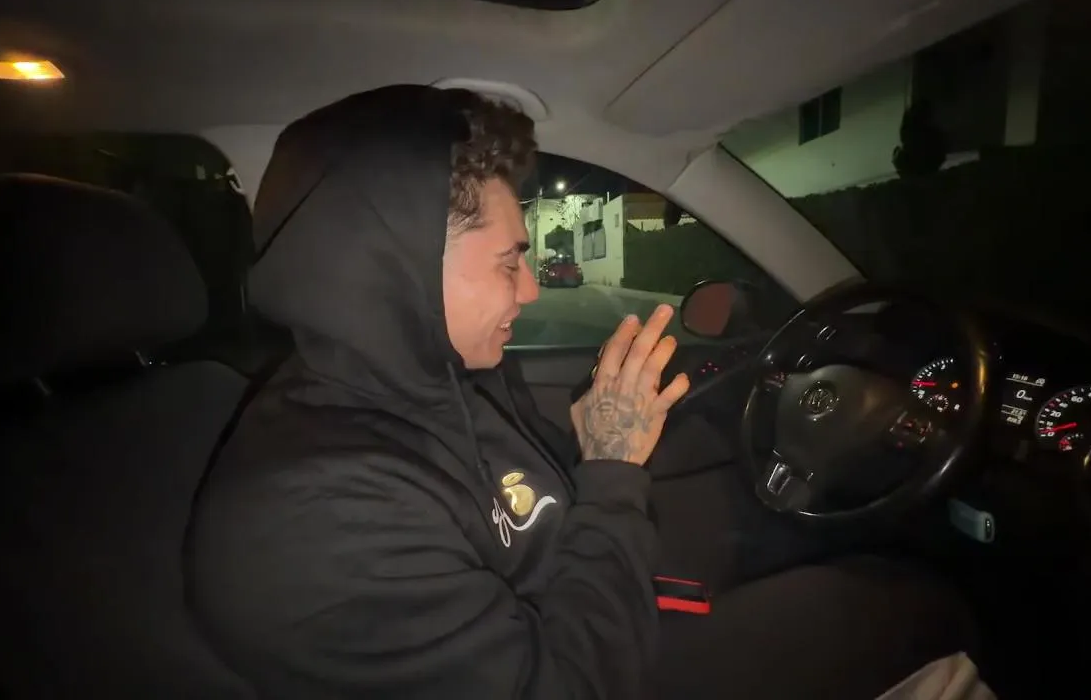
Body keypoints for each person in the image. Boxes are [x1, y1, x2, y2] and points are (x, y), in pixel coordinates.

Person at [187, 84, 986, 699]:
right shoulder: (313, 518)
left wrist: (584, 452)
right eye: (508, 261)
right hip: (591, 665)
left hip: (586, 595)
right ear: (395, 269)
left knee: (792, 534)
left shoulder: (427, 380)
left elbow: (513, 515)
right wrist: (609, 469)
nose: (530, 288)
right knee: (910, 608)